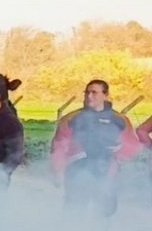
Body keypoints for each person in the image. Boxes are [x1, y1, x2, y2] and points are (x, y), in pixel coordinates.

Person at [50, 79, 143, 217]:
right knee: (74, 213)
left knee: (104, 214)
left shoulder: (119, 120)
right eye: (87, 92)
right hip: (77, 174)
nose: (89, 96)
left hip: (107, 174)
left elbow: (133, 145)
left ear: (105, 95)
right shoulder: (72, 119)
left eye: (94, 92)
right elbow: (59, 147)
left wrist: (119, 151)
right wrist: (58, 171)